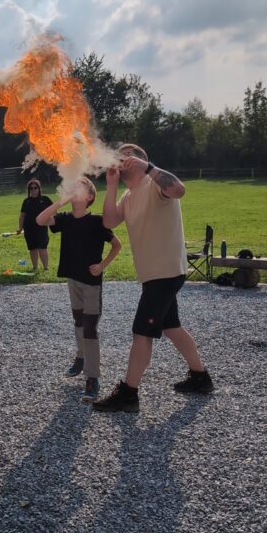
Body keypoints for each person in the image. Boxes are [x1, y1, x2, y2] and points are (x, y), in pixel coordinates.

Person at [93, 144, 214, 413]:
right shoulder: (128, 195)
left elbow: (179, 190)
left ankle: (129, 393)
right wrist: (111, 184)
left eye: (127, 157)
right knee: (172, 327)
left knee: (141, 333)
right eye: (120, 157)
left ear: (138, 162)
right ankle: (200, 377)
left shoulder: (154, 183)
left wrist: (148, 167)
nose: (121, 161)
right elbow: (109, 222)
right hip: (156, 275)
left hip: (165, 272)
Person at [36, 177, 121, 402]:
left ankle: (92, 378)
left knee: (90, 328)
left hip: (91, 283)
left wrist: (102, 265)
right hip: (72, 279)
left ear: (90, 197)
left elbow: (117, 245)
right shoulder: (64, 219)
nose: (74, 191)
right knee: (78, 322)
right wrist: (60, 202)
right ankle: (81, 357)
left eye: (79, 189)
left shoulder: (97, 222)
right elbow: (40, 220)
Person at [18, 179, 53, 272]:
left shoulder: (45, 199)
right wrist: (20, 228)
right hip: (29, 228)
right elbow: (22, 216)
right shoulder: (26, 201)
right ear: (29, 190)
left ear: (39, 189)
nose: (33, 190)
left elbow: (54, 210)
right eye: (31, 188)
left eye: (35, 188)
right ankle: (35, 268)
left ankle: (46, 268)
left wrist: (52, 221)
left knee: (42, 247)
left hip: (41, 228)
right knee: (32, 248)